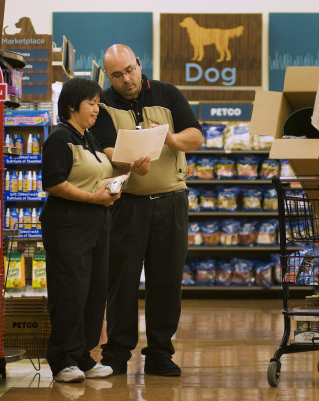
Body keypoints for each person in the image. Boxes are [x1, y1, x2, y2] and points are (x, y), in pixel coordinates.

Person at [89, 44, 203, 376]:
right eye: (117, 75)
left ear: (139, 64)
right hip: (126, 205)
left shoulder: (167, 94)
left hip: (171, 202)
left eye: (130, 70)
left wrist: (170, 138)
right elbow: (106, 148)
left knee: (166, 281)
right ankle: (117, 353)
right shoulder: (104, 103)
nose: (126, 79)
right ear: (107, 76)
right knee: (121, 281)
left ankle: (159, 354)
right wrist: (127, 164)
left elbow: (195, 136)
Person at [41, 77, 120, 383]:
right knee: (70, 292)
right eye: (91, 103)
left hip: (97, 227)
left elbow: (94, 175)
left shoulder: (89, 138)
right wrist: (93, 198)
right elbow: (54, 182)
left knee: (93, 293)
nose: (97, 109)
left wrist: (112, 188)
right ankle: (63, 360)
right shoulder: (60, 138)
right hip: (68, 227)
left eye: (98, 103)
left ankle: (83, 355)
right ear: (72, 105)